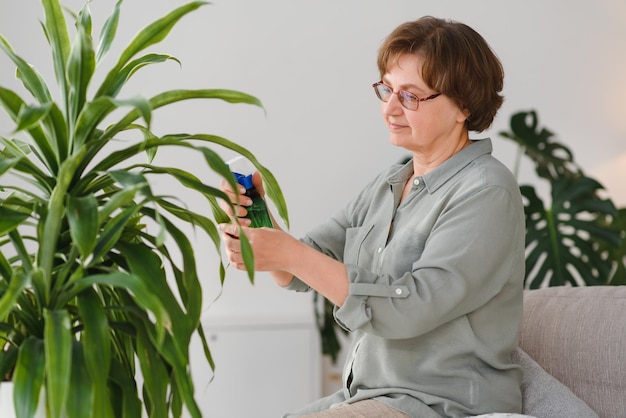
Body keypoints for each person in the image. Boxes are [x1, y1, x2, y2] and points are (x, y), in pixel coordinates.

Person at [219, 16, 526, 418]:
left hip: (439, 403)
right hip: (368, 395)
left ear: (463, 106)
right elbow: (299, 269)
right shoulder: (391, 183)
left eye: (410, 96)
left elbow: (410, 306)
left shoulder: (487, 192)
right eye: (386, 90)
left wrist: (289, 255)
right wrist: (261, 230)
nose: (390, 108)